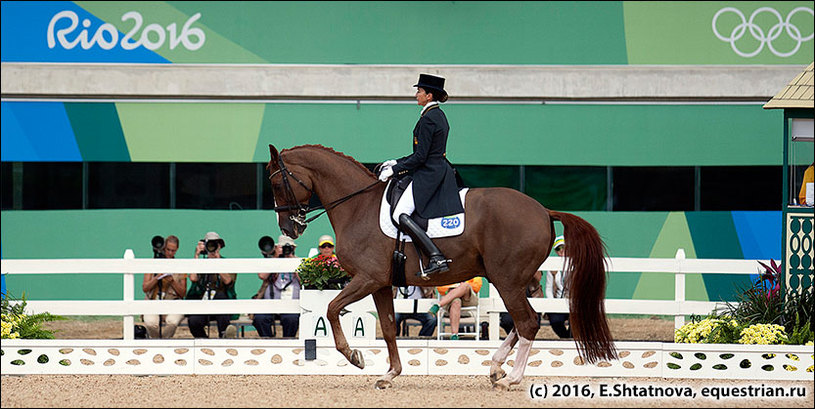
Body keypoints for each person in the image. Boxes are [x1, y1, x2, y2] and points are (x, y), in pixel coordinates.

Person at [376, 73, 464, 279]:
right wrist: (396, 162)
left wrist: (395, 170)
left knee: (400, 214)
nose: (416, 95)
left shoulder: (429, 119)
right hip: (435, 167)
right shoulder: (435, 115)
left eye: (419, 91)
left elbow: (421, 157)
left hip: (429, 173)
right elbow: (421, 153)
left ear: (429, 95)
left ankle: (435, 255)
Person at [186, 232, 238, 339]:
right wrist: (196, 255)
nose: (212, 248)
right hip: (204, 305)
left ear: (219, 246)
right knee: (193, 321)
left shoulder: (226, 263)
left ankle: (224, 336)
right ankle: (205, 342)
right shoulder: (200, 263)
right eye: (209, 244)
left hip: (222, 308)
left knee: (220, 296)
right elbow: (193, 278)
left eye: (215, 245)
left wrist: (217, 262)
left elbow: (228, 281)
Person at [252, 234, 301, 338]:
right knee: (260, 318)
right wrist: (276, 259)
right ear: (277, 248)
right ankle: (268, 340)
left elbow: (305, 280)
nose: (286, 250)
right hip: (271, 303)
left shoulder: (298, 261)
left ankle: (288, 341)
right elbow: (262, 275)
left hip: (291, 304)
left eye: (288, 247)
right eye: (283, 248)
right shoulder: (272, 261)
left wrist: (293, 261)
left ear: (294, 248)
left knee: (291, 319)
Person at [142, 235, 187, 339]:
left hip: (173, 302)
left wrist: (172, 281)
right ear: (163, 248)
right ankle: (157, 342)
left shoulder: (180, 266)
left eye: (173, 251)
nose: (170, 253)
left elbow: (183, 293)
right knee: (150, 323)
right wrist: (157, 277)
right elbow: (145, 288)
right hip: (153, 301)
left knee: (172, 321)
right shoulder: (152, 264)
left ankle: (164, 342)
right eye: (168, 250)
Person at [498, 270, 543, 339]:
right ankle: (517, 338)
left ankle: (519, 338)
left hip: (529, 291)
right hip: (513, 291)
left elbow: (538, 277)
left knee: (531, 322)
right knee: (507, 320)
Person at [543, 235, 572, 338]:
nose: (561, 251)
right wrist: (552, 304)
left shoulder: (576, 263)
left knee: (576, 321)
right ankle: (565, 339)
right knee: (555, 321)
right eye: (558, 249)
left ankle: (572, 339)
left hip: (574, 303)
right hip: (558, 301)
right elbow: (548, 288)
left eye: (564, 247)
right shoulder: (552, 266)